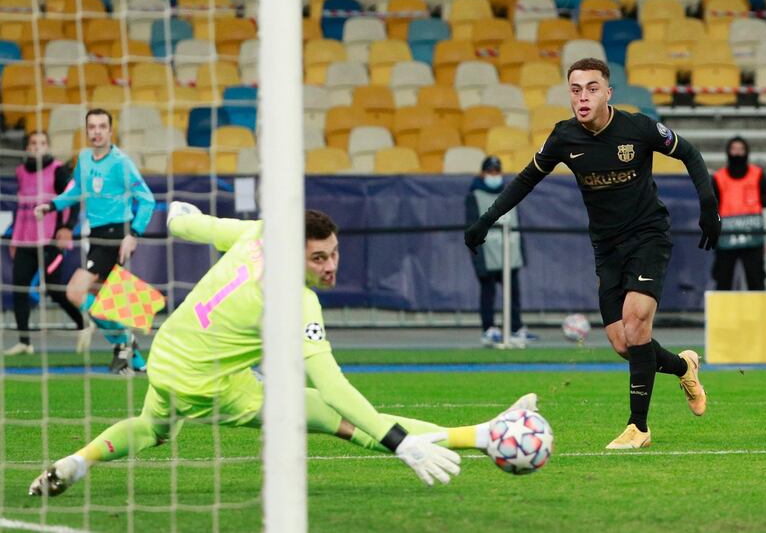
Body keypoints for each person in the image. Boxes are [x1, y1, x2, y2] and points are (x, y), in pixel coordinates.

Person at [30, 205, 539, 495]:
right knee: (335, 416)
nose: (329, 265)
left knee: (155, 428)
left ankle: (77, 461)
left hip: (168, 354)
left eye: (333, 252)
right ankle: (486, 435)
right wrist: (398, 442)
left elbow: (193, 224)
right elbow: (334, 387)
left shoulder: (259, 234)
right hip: (213, 386)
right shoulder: (295, 302)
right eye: (318, 258)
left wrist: (179, 214)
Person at [465, 58, 720, 450]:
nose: (583, 97)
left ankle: (639, 427)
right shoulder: (564, 138)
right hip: (606, 249)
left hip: (649, 236)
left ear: (608, 92)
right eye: (575, 89)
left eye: (592, 88)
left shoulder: (637, 127)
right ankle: (684, 366)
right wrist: (487, 219)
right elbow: (526, 179)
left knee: (636, 326)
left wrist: (708, 206)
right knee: (624, 344)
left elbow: (690, 153)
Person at [34, 108, 155, 375]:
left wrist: (133, 235)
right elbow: (76, 189)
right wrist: (52, 206)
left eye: (102, 126)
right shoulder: (85, 158)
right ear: (87, 131)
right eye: (92, 127)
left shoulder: (121, 162)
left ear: (111, 131)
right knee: (105, 299)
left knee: (75, 292)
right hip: (96, 235)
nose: (97, 131)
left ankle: (124, 340)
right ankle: (134, 357)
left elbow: (147, 199)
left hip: (116, 235)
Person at [5, 131, 85, 356]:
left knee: (54, 289)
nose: (37, 147)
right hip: (25, 242)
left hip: (50, 242)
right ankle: (24, 342)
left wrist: (67, 227)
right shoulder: (21, 172)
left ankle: (83, 324)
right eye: (33, 143)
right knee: (19, 288)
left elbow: (74, 198)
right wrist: (15, 238)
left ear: (48, 147)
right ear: (27, 147)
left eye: (42, 143)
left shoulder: (58, 170)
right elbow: (22, 208)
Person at [465, 155, 535, 348]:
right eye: (490, 171)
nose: (494, 175)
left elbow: (515, 222)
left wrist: (520, 252)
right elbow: (471, 227)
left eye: (497, 171)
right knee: (488, 293)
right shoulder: (474, 195)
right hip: (487, 255)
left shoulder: (510, 192)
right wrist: (476, 257)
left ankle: (515, 328)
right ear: (483, 173)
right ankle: (488, 329)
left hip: (509, 253)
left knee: (513, 294)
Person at [711, 136, 766, 290]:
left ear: (747, 152)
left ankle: (760, 313)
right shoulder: (718, 177)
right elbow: (711, 205)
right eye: (734, 149)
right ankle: (723, 314)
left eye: (741, 149)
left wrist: (755, 199)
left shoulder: (757, 174)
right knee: (723, 279)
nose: (737, 153)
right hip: (726, 239)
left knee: (756, 279)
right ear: (728, 152)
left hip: (752, 239)